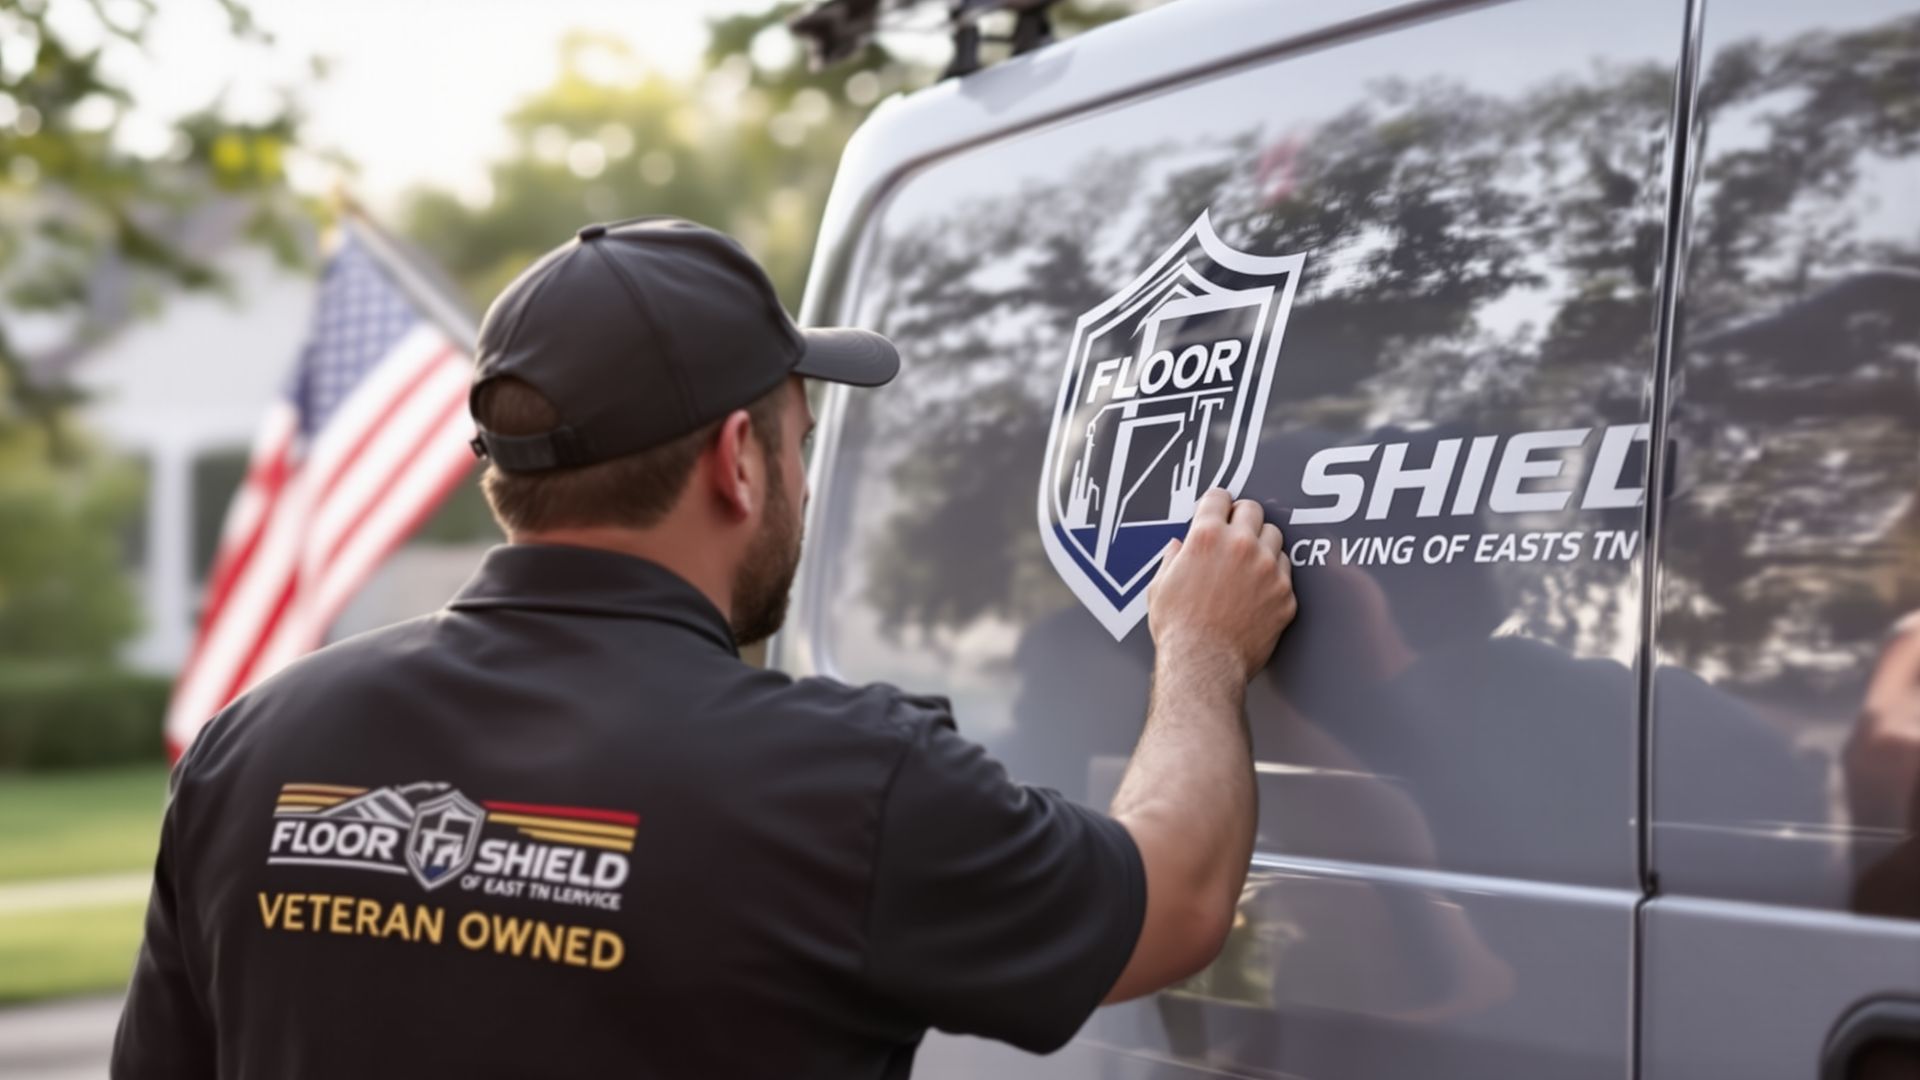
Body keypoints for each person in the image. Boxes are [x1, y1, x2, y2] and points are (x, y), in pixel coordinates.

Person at [111, 217, 1297, 1079]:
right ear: (738, 458)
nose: (803, 473)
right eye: (799, 438)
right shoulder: (848, 786)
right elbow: (1178, 900)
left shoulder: (254, 751)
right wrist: (1200, 648)